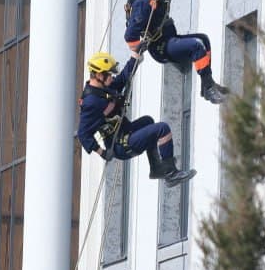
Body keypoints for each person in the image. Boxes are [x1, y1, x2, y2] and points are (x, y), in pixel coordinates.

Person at [77, 51, 195, 187]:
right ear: (98, 75)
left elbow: (122, 79)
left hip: (125, 132)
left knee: (148, 121)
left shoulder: (103, 89)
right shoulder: (91, 102)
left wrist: (135, 56)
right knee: (163, 128)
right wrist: (102, 153)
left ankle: (156, 168)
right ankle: (171, 174)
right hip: (121, 144)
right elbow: (83, 133)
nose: (111, 77)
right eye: (108, 74)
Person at [124, 0, 231, 105]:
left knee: (203, 39)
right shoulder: (142, 4)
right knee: (197, 46)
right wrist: (139, 49)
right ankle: (209, 90)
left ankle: (207, 84)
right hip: (162, 46)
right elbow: (130, 36)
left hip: (168, 38)